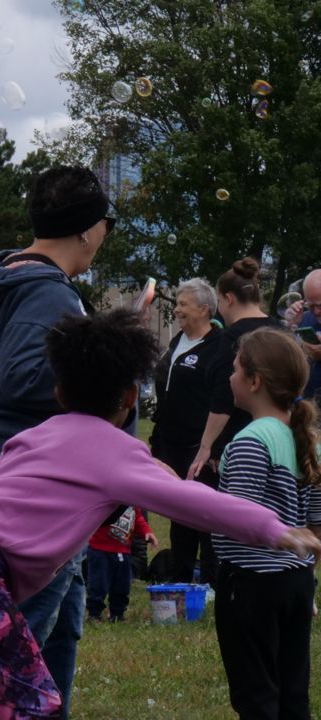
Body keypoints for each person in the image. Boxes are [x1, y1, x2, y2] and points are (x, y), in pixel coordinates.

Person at [0, 310, 321, 720]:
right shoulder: (117, 454)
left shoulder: (34, 437)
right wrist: (274, 529)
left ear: (59, 393)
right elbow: (199, 503)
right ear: (130, 398)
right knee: (37, 703)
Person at [0, 165, 115, 717]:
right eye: (107, 223)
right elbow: (24, 377)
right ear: (87, 229)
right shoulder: (45, 290)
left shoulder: (6, 272)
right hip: (20, 478)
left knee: (63, 618)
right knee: (21, 640)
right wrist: (103, 372)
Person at [212, 328, 321, 717]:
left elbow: (238, 518)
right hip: (296, 583)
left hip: (250, 585)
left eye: (235, 368)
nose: (229, 376)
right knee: (294, 693)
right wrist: (307, 578)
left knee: (256, 695)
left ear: (254, 381)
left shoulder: (249, 442)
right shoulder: (308, 440)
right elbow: (315, 526)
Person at [148, 278, 222, 584]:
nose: (176, 309)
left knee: (205, 515)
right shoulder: (178, 341)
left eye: (183, 304)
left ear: (204, 310)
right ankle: (180, 577)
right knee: (179, 514)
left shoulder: (219, 346)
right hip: (171, 443)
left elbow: (223, 400)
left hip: (200, 445)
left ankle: (210, 581)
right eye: (177, 303)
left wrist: (214, 447)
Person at [187, 258, 279, 483]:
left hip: (237, 447)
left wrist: (207, 446)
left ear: (228, 299)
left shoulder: (232, 337)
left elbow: (223, 396)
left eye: (218, 301)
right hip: (278, 441)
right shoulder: (281, 330)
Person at [85, 506, 157, 623]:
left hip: (123, 552)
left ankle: (117, 614)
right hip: (100, 550)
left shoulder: (131, 501)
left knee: (122, 586)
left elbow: (137, 517)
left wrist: (147, 532)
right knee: (98, 585)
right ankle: (94, 614)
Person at [282, 268, 321, 401]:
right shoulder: (304, 318)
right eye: (310, 305)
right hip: (305, 403)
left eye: (320, 305)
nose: (316, 312)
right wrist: (292, 324)